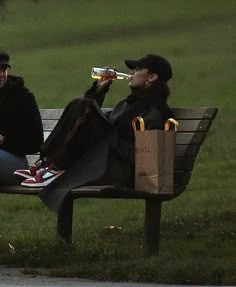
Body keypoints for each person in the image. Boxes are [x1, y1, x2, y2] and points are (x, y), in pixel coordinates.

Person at [15, 53, 174, 211]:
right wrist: (99, 90)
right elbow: (94, 121)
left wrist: (108, 133)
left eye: (137, 69)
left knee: (83, 105)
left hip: (120, 171)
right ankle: (50, 165)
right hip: (102, 161)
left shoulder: (154, 113)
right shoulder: (128, 104)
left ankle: (54, 167)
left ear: (152, 77)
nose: (131, 73)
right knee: (81, 105)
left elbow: (139, 157)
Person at [0, 51, 44, 185]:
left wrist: (4, 141)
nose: (1, 74)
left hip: (16, 163)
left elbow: (36, 142)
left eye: (3, 69)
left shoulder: (23, 97)